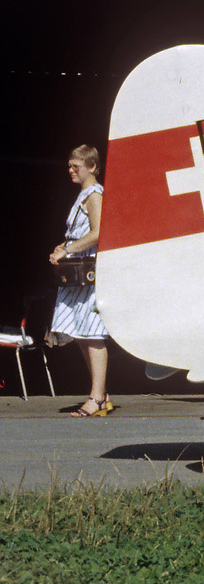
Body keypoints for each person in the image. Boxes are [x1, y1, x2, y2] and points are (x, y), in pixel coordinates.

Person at [47, 144, 111, 417]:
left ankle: (96, 397)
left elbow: (99, 232)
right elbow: (79, 232)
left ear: (92, 167)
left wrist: (68, 250)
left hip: (89, 275)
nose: (70, 170)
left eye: (76, 166)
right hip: (77, 278)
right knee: (80, 332)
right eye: (70, 165)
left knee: (93, 333)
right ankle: (102, 394)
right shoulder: (84, 194)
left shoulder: (94, 194)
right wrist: (62, 247)